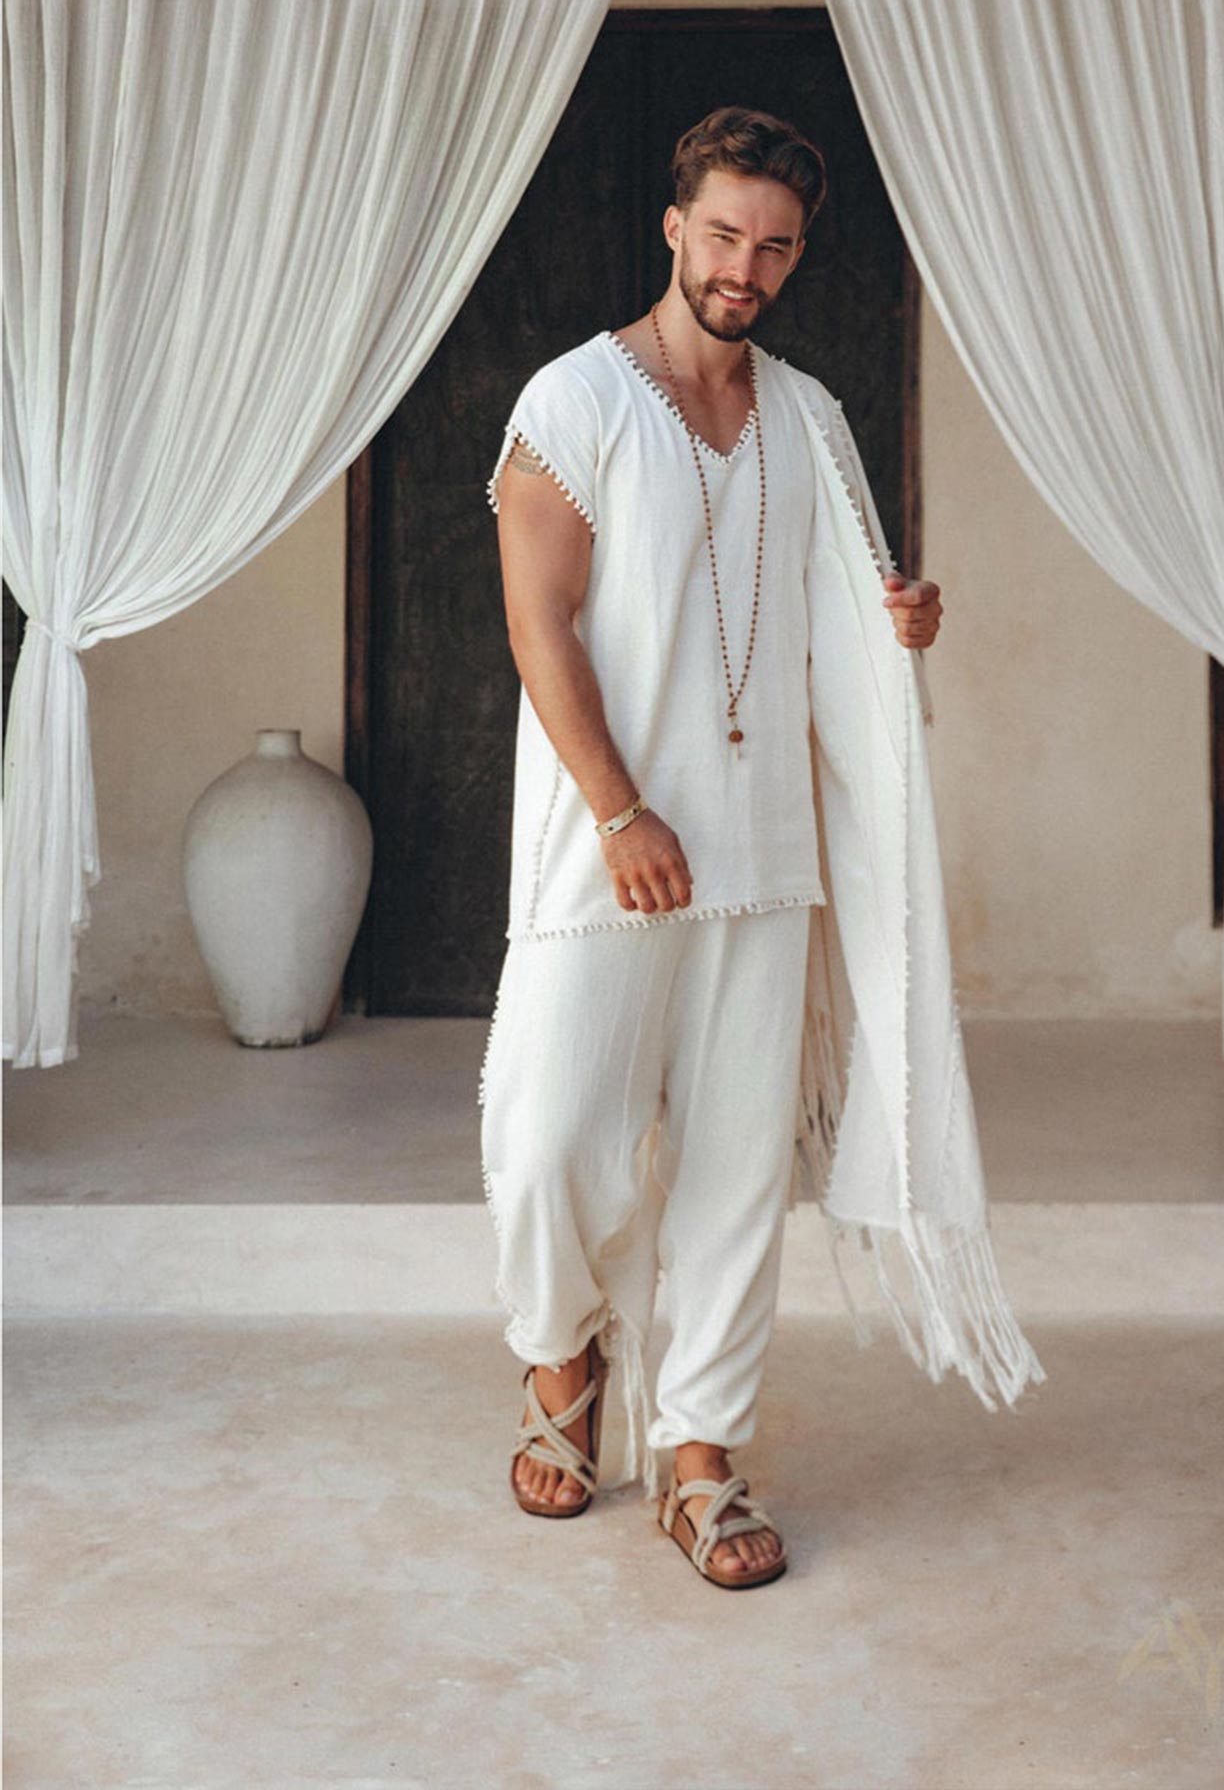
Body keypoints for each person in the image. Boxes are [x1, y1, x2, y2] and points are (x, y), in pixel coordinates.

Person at [480, 105, 945, 1588]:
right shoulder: (571, 402)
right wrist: (619, 808)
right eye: (725, 234)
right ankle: (563, 1365)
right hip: (602, 841)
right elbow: (536, 625)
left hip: (762, 847)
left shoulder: (806, 414)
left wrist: (900, 627)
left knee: (740, 1166)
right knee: (553, 1137)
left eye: (777, 245)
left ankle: (700, 1451)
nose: (747, 265)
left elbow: (844, 601)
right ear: (673, 227)